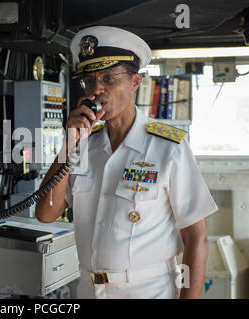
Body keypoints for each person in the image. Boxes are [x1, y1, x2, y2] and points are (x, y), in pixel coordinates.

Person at [35, 26, 218, 299]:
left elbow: (196, 238)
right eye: (89, 81)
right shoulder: (82, 147)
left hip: (146, 291)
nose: (97, 90)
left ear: (135, 82)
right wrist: (69, 143)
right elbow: (46, 213)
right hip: (88, 289)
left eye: (108, 78)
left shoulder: (169, 148)